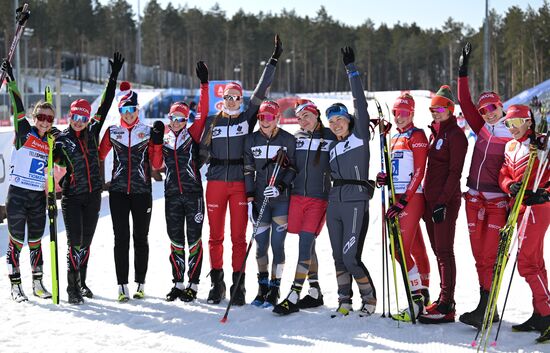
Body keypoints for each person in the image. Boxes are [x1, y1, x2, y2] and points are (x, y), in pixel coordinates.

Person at [201, 34, 282, 305]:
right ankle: (217, 284)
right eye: (229, 97)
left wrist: (272, 61)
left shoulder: (247, 118)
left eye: (237, 97)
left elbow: (261, 91)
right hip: (214, 182)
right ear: (223, 98)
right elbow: (198, 150)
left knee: (238, 237)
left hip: (238, 182)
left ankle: (238, 287)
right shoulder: (213, 121)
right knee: (215, 237)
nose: (233, 100)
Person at [53, 52, 124, 304]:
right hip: (72, 197)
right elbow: (54, 160)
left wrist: (112, 78)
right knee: (75, 243)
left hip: (94, 196)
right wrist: (54, 150)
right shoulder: (61, 139)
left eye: (84, 118)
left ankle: (82, 282)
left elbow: (105, 104)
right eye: (76, 117)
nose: (80, 122)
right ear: (70, 117)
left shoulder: (93, 131)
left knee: (86, 243)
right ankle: (72, 288)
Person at [456, 42, 513, 328]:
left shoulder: (512, 132)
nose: (487, 112)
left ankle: (490, 304)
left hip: (497, 202)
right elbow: (464, 102)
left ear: (501, 105)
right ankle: (485, 305)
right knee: (478, 255)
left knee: (491, 255)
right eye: (483, 109)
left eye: (492, 107)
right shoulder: (481, 128)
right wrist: (462, 71)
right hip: (474, 199)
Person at [99, 82, 164, 302]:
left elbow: (156, 163)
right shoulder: (112, 131)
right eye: (124, 111)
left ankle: (140, 284)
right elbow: (98, 154)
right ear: (120, 112)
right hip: (117, 192)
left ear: (138, 110)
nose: (128, 114)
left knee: (140, 238)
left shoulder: (146, 131)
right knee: (121, 238)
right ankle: (121, 285)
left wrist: (156, 143)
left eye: (132, 110)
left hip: (141, 192)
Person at [325, 47, 376, 317]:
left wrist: (351, 70)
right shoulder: (331, 147)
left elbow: (360, 102)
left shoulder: (359, 137)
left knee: (350, 257)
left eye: (340, 119)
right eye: (331, 121)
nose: (336, 124)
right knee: (337, 258)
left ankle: (369, 299)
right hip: (334, 204)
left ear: (348, 120)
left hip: (356, 201)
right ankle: (344, 300)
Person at [273, 99, 335, 315]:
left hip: (319, 198)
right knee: (307, 243)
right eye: (299, 118)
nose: (302, 121)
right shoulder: (295, 138)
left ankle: (294, 293)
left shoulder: (330, 135)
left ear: (316, 114)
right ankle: (315, 290)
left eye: (306, 116)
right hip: (297, 197)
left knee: (306, 242)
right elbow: (291, 166)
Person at [376, 93, 431, 322]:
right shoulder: (395, 137)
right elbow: (396, 168)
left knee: (398, 249)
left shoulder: (417, 135)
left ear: (413, 113)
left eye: (405, 113)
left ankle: (416, 296)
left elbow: (419, 171)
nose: (400, 117)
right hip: (396, 195)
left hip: (411, 197)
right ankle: (424, 290)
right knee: (415, 247)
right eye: (397, 112)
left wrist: (404, 200)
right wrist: (384, 177)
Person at [2, 59, 53, 302]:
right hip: (18, 194)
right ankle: (15, 285)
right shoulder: (24, 132)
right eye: (41, 116)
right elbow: (17, 107)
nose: (44, 121)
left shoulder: (51, 141)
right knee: (16, 241)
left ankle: (37, 283)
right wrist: (11, 81)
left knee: (35, 241)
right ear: (35, 117)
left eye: (49, 118)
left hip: (37, 196)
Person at [498, 105, 550, 343]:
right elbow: (503, 172)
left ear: (529, 122)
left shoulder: (541, 143)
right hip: (518, 207)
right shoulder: (510, 146)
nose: (512, 128)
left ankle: (548, 314)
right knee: (536, 262)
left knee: (527, 263)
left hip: (537, 207)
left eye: (517, 122)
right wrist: (510, 185)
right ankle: (540, 314)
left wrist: (546, 193)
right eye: (508, 124)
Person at [418, 85, 468, 324]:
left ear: (450, 109)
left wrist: (442, 202)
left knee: (445, 252)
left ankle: (447, 304)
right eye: (432, 109)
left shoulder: (456, 136)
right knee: (438, 252)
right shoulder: (435, 133)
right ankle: (442, 298)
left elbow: (454, 172)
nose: (435, 112)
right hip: (430, 201)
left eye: (439, 108)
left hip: (444, 202)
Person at [163, 62, 209, 302]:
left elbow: (203, 109)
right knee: (175, 240)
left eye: (182, 118)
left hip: (193, 195)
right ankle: (178, 283)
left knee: (194, 240)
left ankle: (193, 283)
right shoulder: (164, 138)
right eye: (174, 117)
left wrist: (204, 84)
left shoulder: (193, 134)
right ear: (169, 118)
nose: (178, 121)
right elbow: (153, 160)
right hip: (171, 196)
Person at [243, 100, 296, 308]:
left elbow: (292, 169)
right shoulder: (251, 140)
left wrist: (280, 187)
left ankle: (275, 288)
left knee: (277, 245)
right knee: (261, 246)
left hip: (280, 201)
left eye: (269, 117)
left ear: (277, 119)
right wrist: (249, 199)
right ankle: (262, 287)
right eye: (261, 117)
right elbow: (248, 170)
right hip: (259, 201)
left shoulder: (288, 140)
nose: (265, 121)